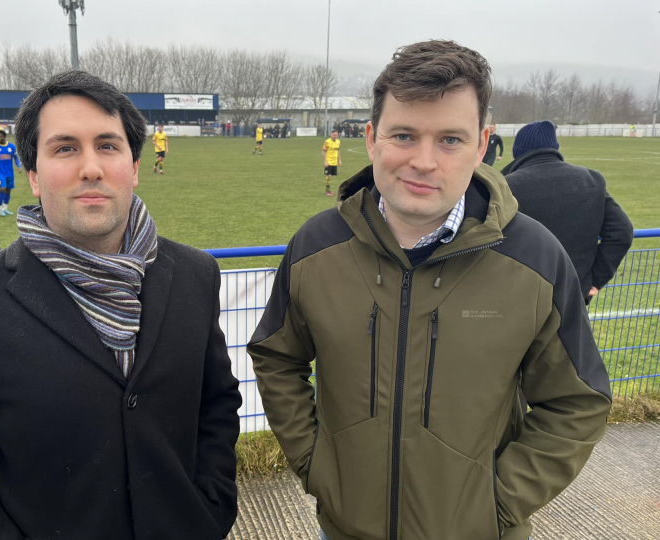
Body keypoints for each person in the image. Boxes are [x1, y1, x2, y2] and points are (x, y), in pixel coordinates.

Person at [248, 40, 611, 540]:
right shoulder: (315, 247)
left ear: (482, 146)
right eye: (403, 134)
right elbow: (276, 356)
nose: (423, 161)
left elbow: (578, 400)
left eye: (449, 140)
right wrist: (316, 463)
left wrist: (498, 503)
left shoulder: (536, 259)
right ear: (372, 137)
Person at [0, 69, 241, 540]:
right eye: (66, 148)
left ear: (134, 166)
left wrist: (211, 505)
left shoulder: (196, 276)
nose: (90, 167)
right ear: (32, 174)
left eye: (108, 145)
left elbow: (216, 404)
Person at [502, 120, 633, 305]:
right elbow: (622, 231)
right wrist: (594, 280)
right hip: (573, 297)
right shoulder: (590, 180)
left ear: (518, 151)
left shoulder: (505, 187)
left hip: (518, 299)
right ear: (554, 147)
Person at [322, 128, 342, 196]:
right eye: (334, 135)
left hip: (334, 162)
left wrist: (339, 160)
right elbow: (323, 151)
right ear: (331, 135)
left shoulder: (338, 142)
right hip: (329, 161)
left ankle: (327, 190)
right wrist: (325, 161)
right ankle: (327, 191)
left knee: (331, 176)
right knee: (329, 176)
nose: (335, 136)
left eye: (336, 135)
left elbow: (338, 151)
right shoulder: (327, 141)